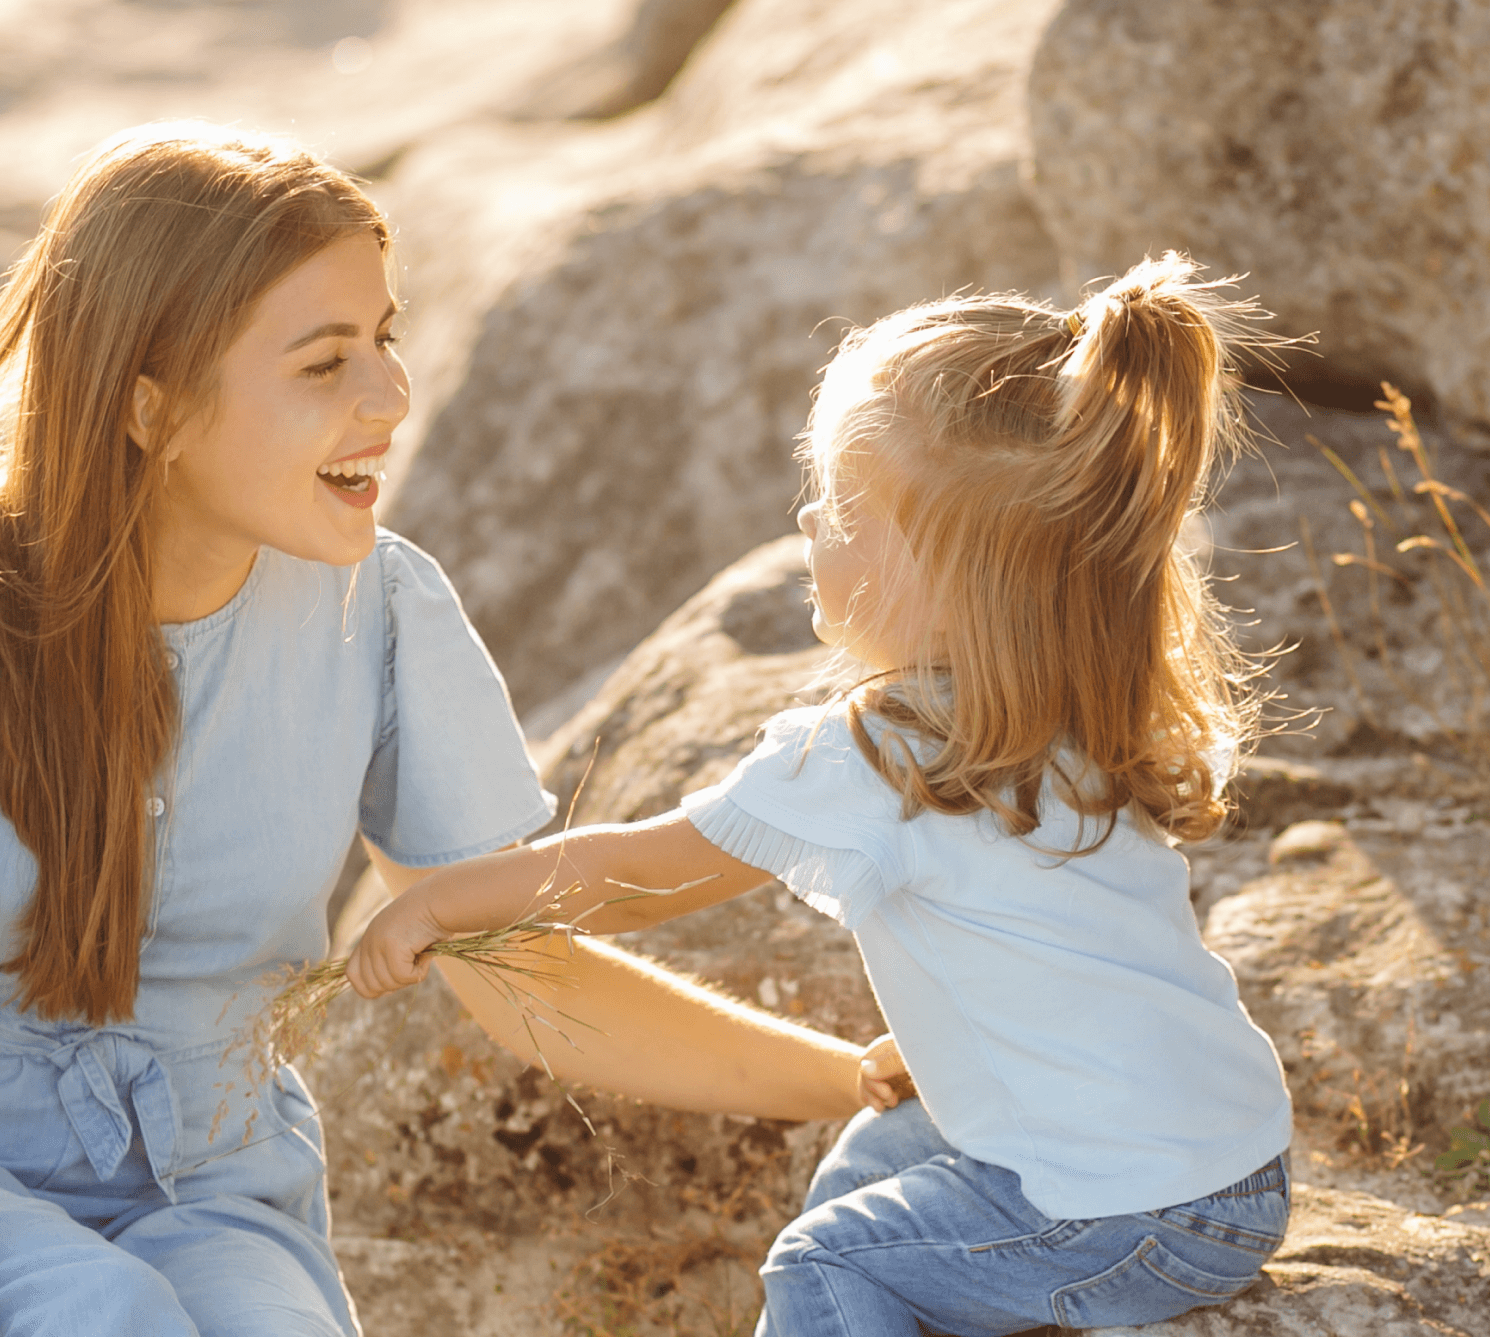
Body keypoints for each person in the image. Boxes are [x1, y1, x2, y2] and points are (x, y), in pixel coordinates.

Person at [0, 121, 881, 1337]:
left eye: (386, 340)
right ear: (152, 407)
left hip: (206, 1195)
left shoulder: (383, 609)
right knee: (101, 1314)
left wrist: (854, 1077)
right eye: (323, 363)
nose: (390, 395)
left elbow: (520, 969)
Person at [349, 253, 1297, 1337]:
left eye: (843, 505)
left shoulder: (878, 754)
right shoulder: (1077, 704)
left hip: (1121, 1210)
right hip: (1233, 1168)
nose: (808, 519)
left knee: (822, 1260)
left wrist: (443, 900)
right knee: (879, 1144)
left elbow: (634, 877)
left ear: (959, 571)